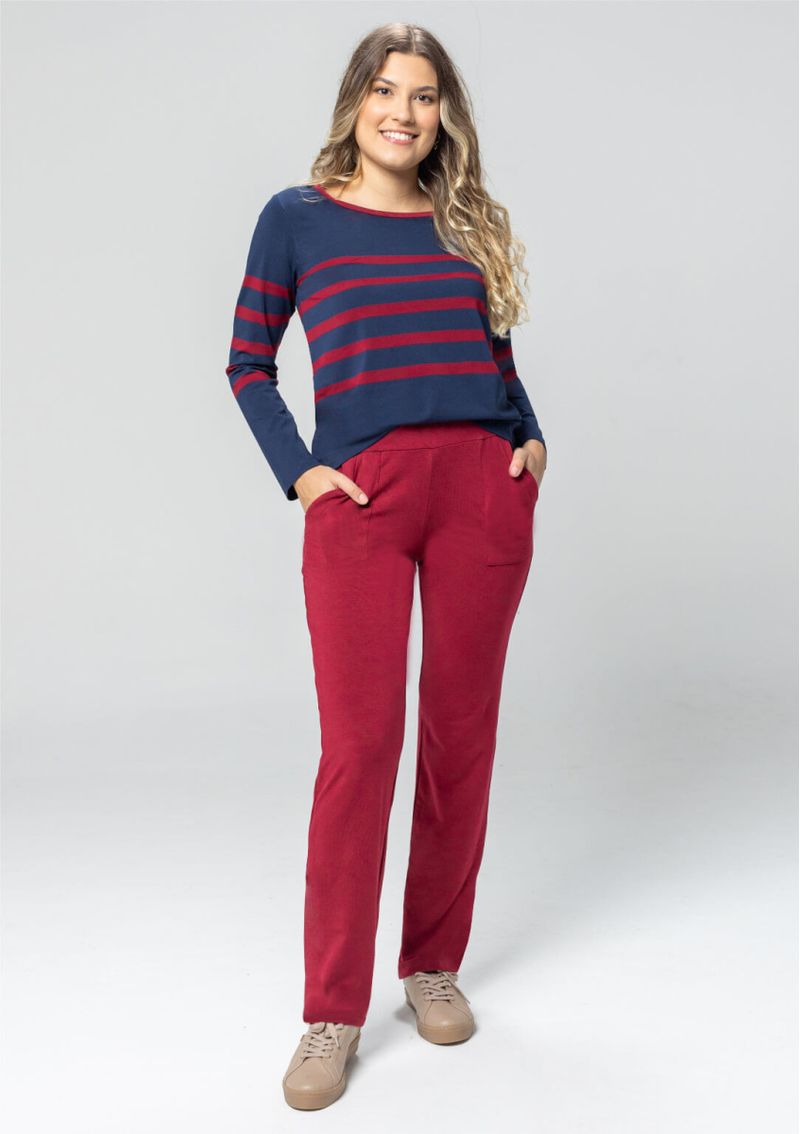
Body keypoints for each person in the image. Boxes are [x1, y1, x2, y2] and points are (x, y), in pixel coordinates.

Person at [225, 22, 548, 1111]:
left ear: (442, 115)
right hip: (360, 499)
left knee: (460, 735)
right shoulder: (297, 219)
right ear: (355, 101)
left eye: (423, 95)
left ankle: (431, 965)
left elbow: (494, 356)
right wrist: (302, 472)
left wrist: (528, 439)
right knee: (360, 749)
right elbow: (247, 361)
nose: (403, 112)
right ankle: (330, 1012)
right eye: (385, 90)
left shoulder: (463, 225)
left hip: (480, 493)